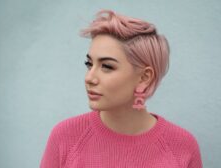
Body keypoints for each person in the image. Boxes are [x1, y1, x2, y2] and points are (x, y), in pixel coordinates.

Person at [40, 10, 202, 168]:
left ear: (144, 77)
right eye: (89, 64)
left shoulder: (182, 147)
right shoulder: (65, 137)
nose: (89, 78)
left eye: (107, 66)